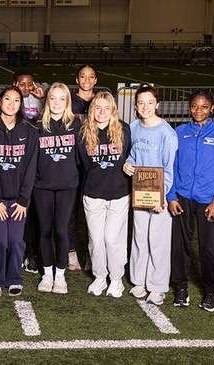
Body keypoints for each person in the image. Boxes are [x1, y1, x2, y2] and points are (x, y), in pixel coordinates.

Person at [167, 89, 214, 312]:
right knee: (180, 246)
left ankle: (210, 291)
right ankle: (181, 288)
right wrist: (171, 195)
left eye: (204, 106)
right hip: (182, 198)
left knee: (208, 248)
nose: (199, 110)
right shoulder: (180, 132)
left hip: (208, 202)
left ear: (212, 109)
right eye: (195, 106)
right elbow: (172, 167)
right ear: (189, 107)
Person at [123, 84, 177, 306]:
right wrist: (127, 164)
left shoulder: (167, 133)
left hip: (158, 198)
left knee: (158, 241)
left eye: (150, 102)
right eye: (141, 103)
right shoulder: (133, 127)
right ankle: (139, 281)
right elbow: (132, 155)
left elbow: (170, 168)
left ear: (158, 105)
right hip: (139, 193)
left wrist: (161, 197)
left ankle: (157, 285)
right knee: (139, 238)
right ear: (135, 106)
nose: (145, 107)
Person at [77, 91, 131, 298]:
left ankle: (116, 279)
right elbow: (82, 164)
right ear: (92, 110)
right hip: (93, 193)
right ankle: (100, 276)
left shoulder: (123, 129)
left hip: (118, 193)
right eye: (97, 107)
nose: (102, 112)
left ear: (113, 110)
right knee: (96, 239)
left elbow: (130, 156)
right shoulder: (84, 132)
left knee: (111, 238)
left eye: (106, 108)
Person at [0, 86, 38, 297]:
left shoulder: (30, 131)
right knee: (0, 240)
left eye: (16, 100)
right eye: (7, 99)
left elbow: (31, 167)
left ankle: (14, 277)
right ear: (0, 102)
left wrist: (24, 200)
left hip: (18, 200)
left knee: (16, 241)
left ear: (21, 104)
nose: (11, 104)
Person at [34, 82, 81, 295]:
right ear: (47, 100)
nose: (57, 102)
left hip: (67, 187)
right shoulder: (36, 126)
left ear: (68, 102)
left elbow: (82, 158)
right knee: (44, 231)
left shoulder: (76, 125)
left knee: (61, 230)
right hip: (42, 186)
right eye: (53, 97)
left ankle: (60, 275)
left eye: (62, 98)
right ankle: (47, 273)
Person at [68, 64, 98, 272]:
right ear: (77, 79)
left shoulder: (101, 101)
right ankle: (70, 252)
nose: (86, 80)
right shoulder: (70, 100)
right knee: (70, 210)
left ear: (95, 80)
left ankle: (91, 253)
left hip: (94, 163)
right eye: (82, 76)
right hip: (71, 161)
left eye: (91, 76)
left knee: (92, 211)